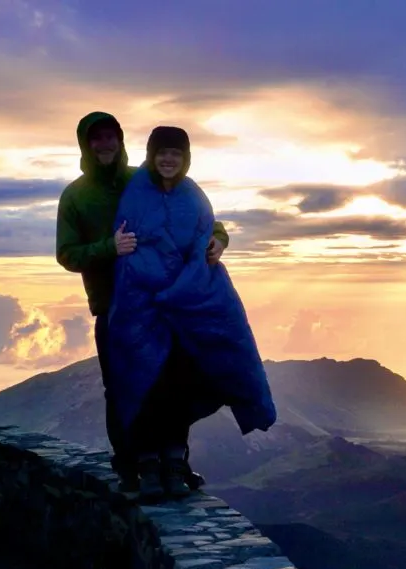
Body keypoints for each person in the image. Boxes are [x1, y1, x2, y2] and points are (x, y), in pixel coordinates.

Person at [55, 112, 230, 494]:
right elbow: (67, 254)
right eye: (96, 138)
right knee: (120, 387)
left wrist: (219, 238)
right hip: (112, 304)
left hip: (161, 303)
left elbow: (195, 215)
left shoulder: (144, 177)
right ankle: (130, 466)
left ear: (120, 141)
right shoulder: (76, 195)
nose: (104, 144)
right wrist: (109, 248)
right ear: (85, 144)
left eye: (110, 137)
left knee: (171, 384)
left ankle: (173, 465)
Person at [105, 125, 277, 500]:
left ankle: (173, 462)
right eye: (162, 153)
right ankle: (148, 464)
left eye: (176, 154)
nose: (168, 160)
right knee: (147, 383)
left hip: (188, 307)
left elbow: (206, 235)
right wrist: (165, 290)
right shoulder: (136, 193)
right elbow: (137, 247)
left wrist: (217, 243)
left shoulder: (193, 195)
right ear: (150, 156)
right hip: (145, 309)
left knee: (180, 385)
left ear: (186, 159)